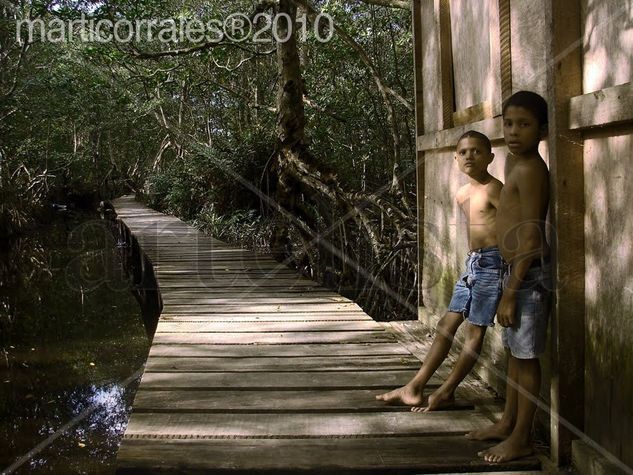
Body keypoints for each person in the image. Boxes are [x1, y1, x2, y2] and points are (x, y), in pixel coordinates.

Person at [376, 130, 503, 411]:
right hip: (473, 263)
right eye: (464, 152)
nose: (470, 156)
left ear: (490, 157)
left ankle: (447, 391)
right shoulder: (462, 194)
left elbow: (511, 230)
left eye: (477, 151)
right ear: (456, 159)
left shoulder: (494, 189)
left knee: (475, 332)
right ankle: (415, 386)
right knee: (446, 325)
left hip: (493, 264)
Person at [467, 90, 553, 463]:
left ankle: (522, 439)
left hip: (527, 274)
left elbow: (532, 234)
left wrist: (510, 291)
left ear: (542, 130)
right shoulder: (515, 163)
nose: (514, 132)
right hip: (512, 271)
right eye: (509, 124)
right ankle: (507, 423)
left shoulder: (533, 169)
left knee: (527, 357)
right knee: (516, 354)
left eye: (524, 124)